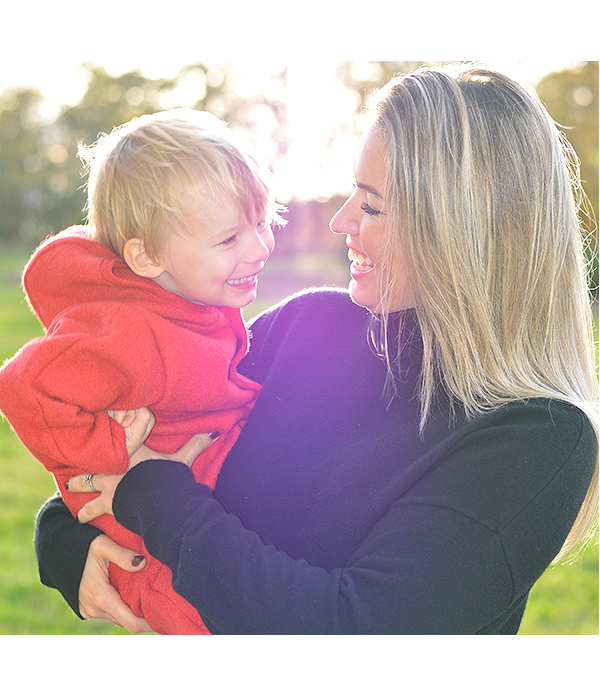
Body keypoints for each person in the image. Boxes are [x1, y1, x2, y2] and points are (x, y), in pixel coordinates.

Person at [34, 65, 598, 634]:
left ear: (465, 227)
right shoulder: (308, 327)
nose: (340, 220)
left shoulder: (539, 436)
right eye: (352, 192)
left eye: (372, 205)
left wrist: (157, 500)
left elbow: (355, 631)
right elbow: (130, 457)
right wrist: (63, 547)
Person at [0, 108, 283, 634]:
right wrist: (116, 456)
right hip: (154, 554)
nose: (261, 247)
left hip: (192, 511)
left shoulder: (186, 301)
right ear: (147, 256)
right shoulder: (129, 331)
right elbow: (25, 387)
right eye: (229, 240)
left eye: (263, 222)